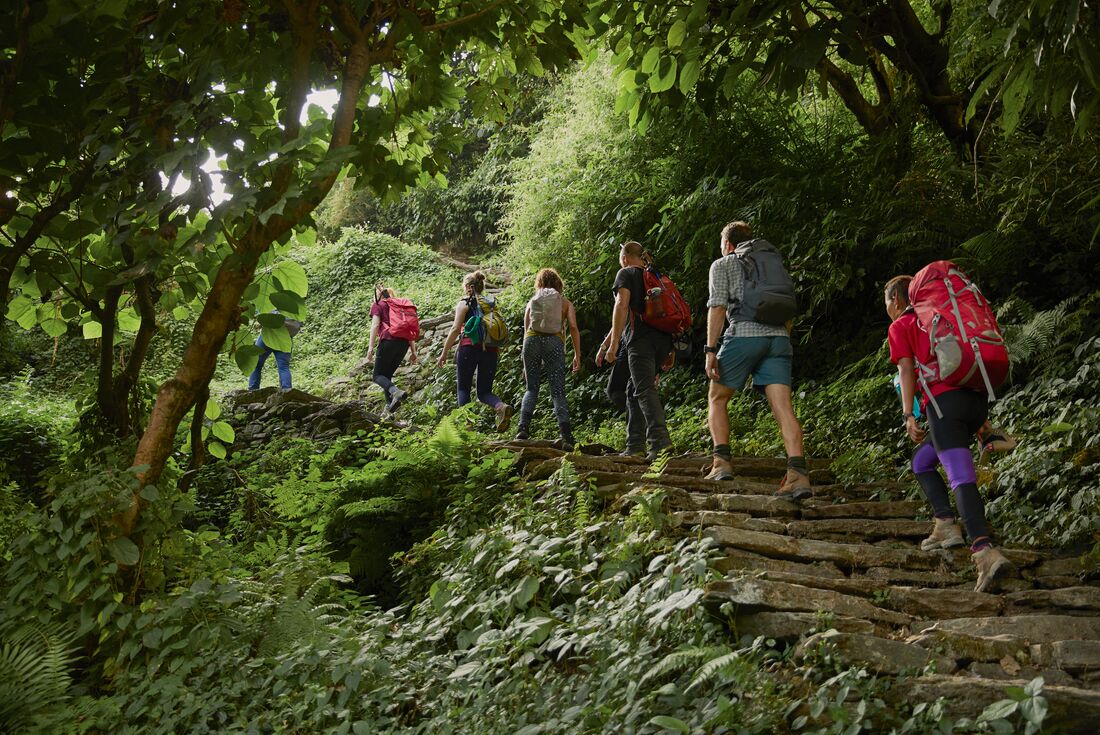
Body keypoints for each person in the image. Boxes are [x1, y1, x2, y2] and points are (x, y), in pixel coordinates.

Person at [885, 274, 1010, 593]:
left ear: (897, 300)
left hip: (944, 407)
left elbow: (906, 369)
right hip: (974, 403)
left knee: (961, 478)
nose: (887, 308)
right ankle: (946, 524)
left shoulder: (901, 325)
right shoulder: (941, 315)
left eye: (887, 301)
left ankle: (984, 551)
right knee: (921, 462)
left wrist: (908, 415)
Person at [703, 221, 810, 499]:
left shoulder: (723, 264)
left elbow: (718, 307)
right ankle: (798, 475)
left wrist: (710, 350)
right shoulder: (771, 264)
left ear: (728, 244)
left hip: (744, 335)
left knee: (717, 397)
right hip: (779, 338)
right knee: (783, 407)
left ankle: (721, 463)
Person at [605, 241, 673, 460]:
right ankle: (635, 445)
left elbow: (621, 305)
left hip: (640, 340)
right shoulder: (653, 275)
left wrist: (614, 344)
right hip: (663, 340)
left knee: (644, 390)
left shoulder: (626, 273)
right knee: (633, 388)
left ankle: (660, 443)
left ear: (625, 257)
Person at [437, 270, 513, 431]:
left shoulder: (464, 303)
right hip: (491, 350)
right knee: (484, 392)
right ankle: (500, 406)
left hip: (469, 348)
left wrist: (444, 353)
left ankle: (467, 426)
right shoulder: (491, 305)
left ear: (467, 287)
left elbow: (455, 329)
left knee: (463, 388)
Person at [515, 268, 581, 448]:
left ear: (540, 283)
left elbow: (526, 330)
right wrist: (577, 354)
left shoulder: (532, 301)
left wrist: (525, 361)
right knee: (558, 391)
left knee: (531, 388)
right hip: (554, 341)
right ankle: (566, 436)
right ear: (558, 284)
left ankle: (522, 429)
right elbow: (573, 327)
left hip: (531, 341)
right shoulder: (565, 303)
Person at [366, 285, 418, 413]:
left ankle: (396, 392)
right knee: (387, 376)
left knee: (377, 376)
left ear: (378, 295)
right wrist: (413, 351)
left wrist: (370, 348)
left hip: (388, 341)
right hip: (403, 344)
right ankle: (389, 409)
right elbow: (407, 329)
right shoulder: (399, 308)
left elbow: (375, 325)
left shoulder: (378, 305)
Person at [248, 314, 301, 390]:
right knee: (283, 366)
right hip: (285, 337)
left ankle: (252, 390)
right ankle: (287, 390)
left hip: (268, 335)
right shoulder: (292, 309)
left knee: (256, 363)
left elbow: (265, 316)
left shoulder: (274, 306)